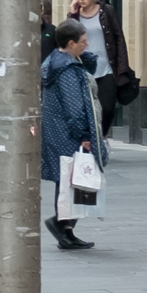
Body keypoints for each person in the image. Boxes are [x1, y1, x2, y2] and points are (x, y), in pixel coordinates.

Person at [40, 19, 106, 250]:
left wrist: (82, 56)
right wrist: (84, 135)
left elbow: (90, 65)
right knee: (74, 179)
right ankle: (62, 225)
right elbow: (74, 105)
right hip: (67, 132)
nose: (87, 44)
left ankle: (66, 228)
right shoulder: (67, 69)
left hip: (58, 130)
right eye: (83, 41)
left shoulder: (62, 61)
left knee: (70, 179)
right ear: (70, 43)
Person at [67, 0, 138, 140]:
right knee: (83, 109)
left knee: (107, 107)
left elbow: (119, 38)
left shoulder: (107, 11)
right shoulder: (75, 16)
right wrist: (72, 14)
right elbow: (67, 39)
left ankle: (101, 136)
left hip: (106, 68)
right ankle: (88, 139)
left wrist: (122, 67)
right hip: (83, 70)